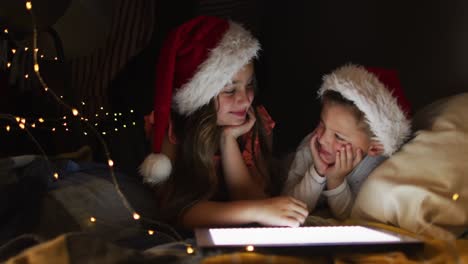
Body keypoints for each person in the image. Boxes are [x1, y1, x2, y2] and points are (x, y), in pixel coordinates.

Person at [140, 16, 308, 230]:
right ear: (201, 96)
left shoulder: (255, 123)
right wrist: (257, 211)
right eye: (229, 90)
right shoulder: (175, 130)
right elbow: (177, 211)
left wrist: (228, 140)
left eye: (249, 85)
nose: (245, 99)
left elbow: (251, 196)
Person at [282, 64, 412, 220]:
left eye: (339, 137)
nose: (323, 139)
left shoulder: (375, 169)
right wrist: (317, 172)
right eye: (322, 124)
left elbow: (351, 218)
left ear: (375, 148)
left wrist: (336, 180)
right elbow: (290, 208)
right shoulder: (311, 147)